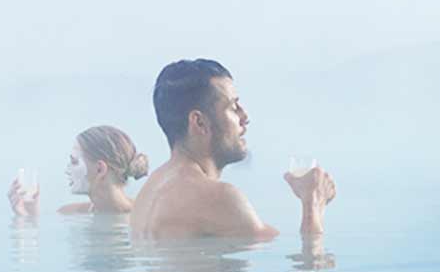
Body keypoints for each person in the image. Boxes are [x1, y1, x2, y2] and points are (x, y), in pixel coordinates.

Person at [130, 59, 335, 240]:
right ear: (199, 122)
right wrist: (313, 203)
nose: (245, 117)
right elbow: (306, 263)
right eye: (233, 107)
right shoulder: (218, 198)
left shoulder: (147, 193)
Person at [7, 125, 150, 216]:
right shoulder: (69, 213)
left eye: (74, 162)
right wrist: (29, 216)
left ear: (100, 169)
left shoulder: (147, 216)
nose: (67, 171)